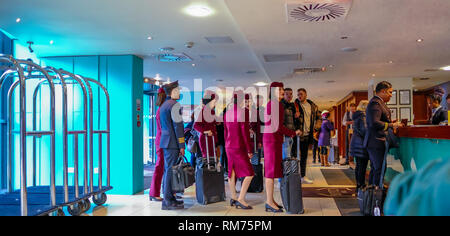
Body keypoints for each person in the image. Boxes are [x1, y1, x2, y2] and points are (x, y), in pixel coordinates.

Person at [263, 82, 302, 213]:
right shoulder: (275, 104)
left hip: (272, 139)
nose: (282, 91)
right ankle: (269, 201)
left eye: (282, 89)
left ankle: (271, 200)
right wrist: (293, 132)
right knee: (270, 172)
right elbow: (277, 126)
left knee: (272, 171)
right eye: (279, 89)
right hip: (272, 140)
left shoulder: (274, 104)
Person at [364, 81, 403, 186]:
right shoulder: (376, 103)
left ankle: (374, 195)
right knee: (379, 170)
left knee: (377, 169)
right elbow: (374, 122)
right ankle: (376, 197)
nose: (391, 95)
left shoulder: (378, 102)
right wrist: (391, 125)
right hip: (376, 141)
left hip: (376, 141)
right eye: (390, 92)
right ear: (383, 91)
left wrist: (391, 123)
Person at [224, 91, 255, 210]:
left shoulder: (227, 113)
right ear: (242, 100)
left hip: (229, 146)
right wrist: (249, 149)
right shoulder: (243, 112)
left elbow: (226, 132)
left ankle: (233, 197)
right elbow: (244, 133)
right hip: (238, 147)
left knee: (232, 171)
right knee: (250, 173)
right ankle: (241, 199)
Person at [159, 81, 185, 210]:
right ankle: (168, 200)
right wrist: (182, 144)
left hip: (166, 141)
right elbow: (178, 127)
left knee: (168, 170)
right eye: (178, 90)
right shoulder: (174, 105)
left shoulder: (164, 105)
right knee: (170, 170)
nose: (179, 92)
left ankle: (169, 197)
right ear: (173, 92)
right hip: (173, 142)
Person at [294, 88, 320, 184]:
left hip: (307, 135)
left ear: (306, 95)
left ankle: (302, 176)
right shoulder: (294, 106)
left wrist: (315, 129)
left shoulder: (313, 106)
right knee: (294, 157)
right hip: (296, 136)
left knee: (304, 157)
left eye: (301, 94)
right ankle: (294, 177)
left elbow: (318, 118)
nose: (299, 96)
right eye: (298, 94)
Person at [149, 87, 167, 202]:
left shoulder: (160, 109)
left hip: (161, 141)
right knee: (159, 167)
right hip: (162, 141)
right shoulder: (162, 110)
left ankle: (165, 191)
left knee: (163, 167)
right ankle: (154, 193)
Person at [194, 91, 220, 162]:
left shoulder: (211, 111)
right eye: (214, 102)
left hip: (212, 139)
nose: (215, 104)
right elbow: (196, 125)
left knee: (212, 159)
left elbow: (215, 121)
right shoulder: (204, 111)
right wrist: (205, 131)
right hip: (206, 139)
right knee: (208, 160)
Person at [350, 100, 370, 191]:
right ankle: (361, 185)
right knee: (362, 166)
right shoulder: (363, 116)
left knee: (359, 166)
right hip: (361, 144)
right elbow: (364, 130)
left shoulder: (357, 116)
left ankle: (358, 185)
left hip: (356, 143)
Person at [281, 88, 296, 160]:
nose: (289, 96)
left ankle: (287, 171)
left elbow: (291, 121)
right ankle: (285, 171)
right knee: (286, 158)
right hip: (284, 135)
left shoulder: (291, 106)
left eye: (291, 94)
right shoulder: (281, 105)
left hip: (290, 134)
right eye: (287, 94)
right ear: (283, 95)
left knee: (288, 156)